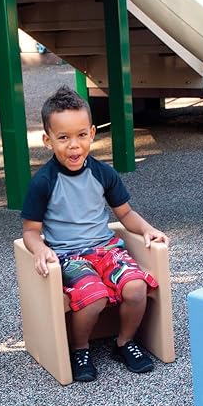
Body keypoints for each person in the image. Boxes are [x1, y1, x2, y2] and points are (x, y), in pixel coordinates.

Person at [21, 85, 169, 382]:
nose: (73, 146)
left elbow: (125, 214)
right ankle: (80, 349)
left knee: (137, 288)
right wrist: (39, 249)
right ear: (48, 141)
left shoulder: (103, 173)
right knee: (93, 298)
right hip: (69, 255)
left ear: (91, 133)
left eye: (80, 136)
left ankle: (124, 342)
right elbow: (30, 231)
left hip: (107, 249)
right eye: (63, 138)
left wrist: (148, 229)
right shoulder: (44, 182)